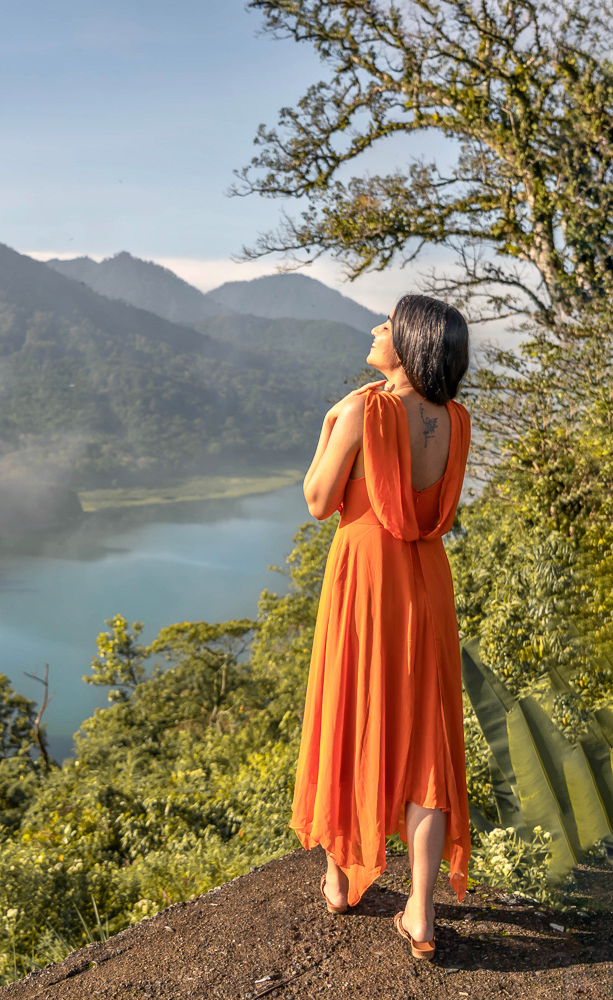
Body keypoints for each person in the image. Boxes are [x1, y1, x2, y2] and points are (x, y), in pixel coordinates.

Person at [289, 292, 471, 961]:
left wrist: (330, 421)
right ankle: (421, 915)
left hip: (366, 582)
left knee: (349, 712)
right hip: (427, 582)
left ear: (411, 343)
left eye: (388, 325)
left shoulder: (366, 410)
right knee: (427, 742)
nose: (375, 328)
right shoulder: (458, 420)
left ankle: (341, 879)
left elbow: (317, 500)